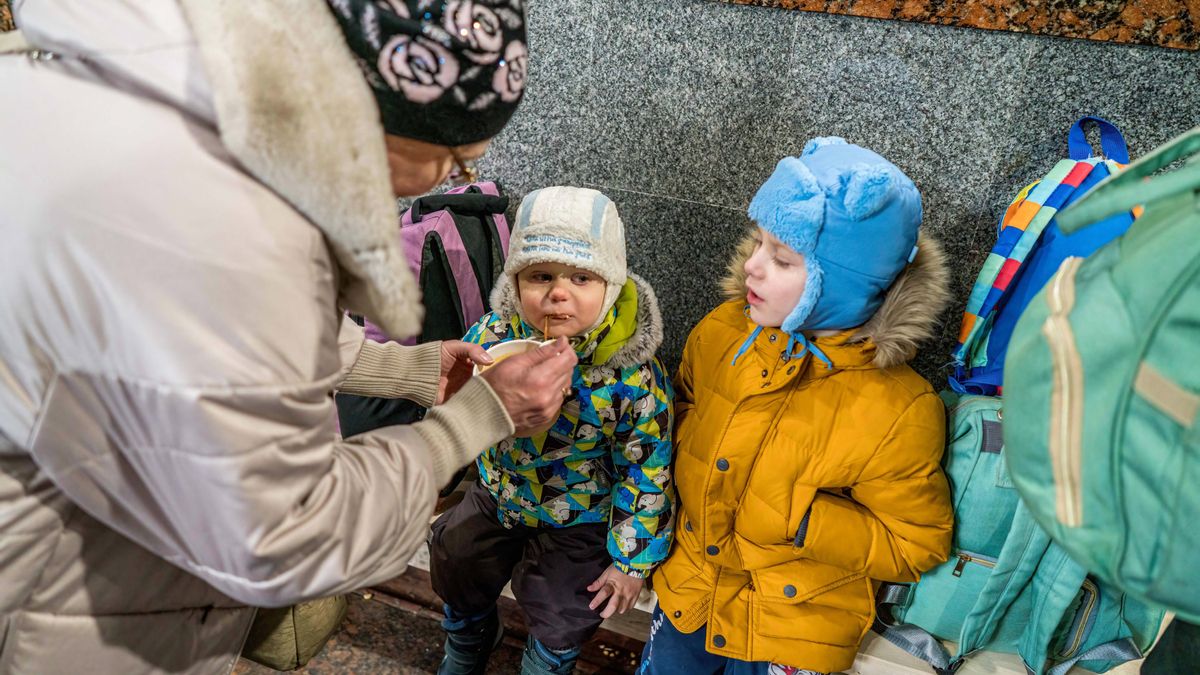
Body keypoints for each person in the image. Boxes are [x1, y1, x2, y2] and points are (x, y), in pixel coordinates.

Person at [0, 1, 572, 673]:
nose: (460, 178)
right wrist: (471, 421)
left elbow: (214, 350)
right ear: (367, 110)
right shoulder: (233, 235)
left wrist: (409, 372)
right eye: (454, 154)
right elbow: (277, 534)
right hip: (63, 604)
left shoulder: (122, 86)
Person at [638, 138, 955, 674]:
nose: (753, 268)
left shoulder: (899, 408)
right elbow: (678, 418)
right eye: (759, 243)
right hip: (690, 593)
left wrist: (807, 521)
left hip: (793, 630)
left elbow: (916, 543)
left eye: (783, 258)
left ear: (849, 286)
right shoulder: (721, 333)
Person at [429, 187, 675, 675]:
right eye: (540, 275)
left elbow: (647, 469)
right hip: (499, 491)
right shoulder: (493, 337)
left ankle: (547, 664)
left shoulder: (630, 376)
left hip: (581, 512)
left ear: (610, 285)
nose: (557, 292)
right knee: (454, 555)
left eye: (581, 277)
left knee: (571, 603)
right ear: (517, 282)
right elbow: (456, 413)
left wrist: (631, 561)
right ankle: (467, 639)